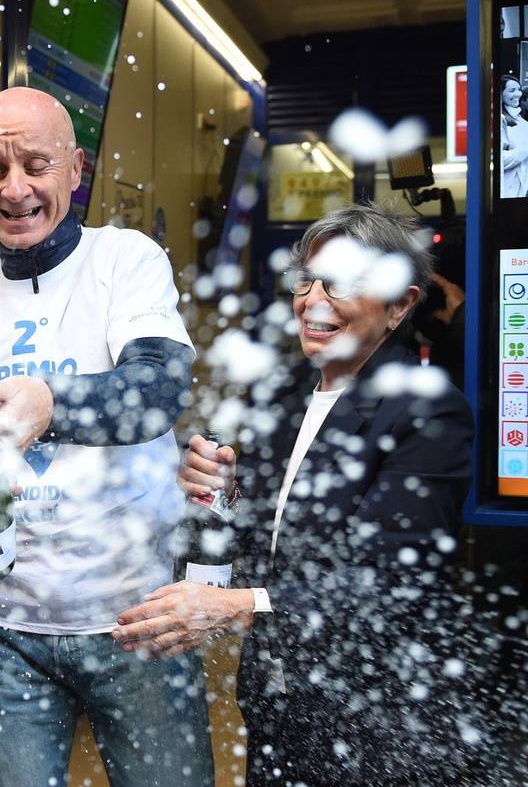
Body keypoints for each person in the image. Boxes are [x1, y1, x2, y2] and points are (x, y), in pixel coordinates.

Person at [0, 87, 212, 787]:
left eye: (35, 165)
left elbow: (159, 387)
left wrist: (50, 402)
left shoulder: (124, 260)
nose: (14, 189)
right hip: (1, 630)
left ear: (75, 169)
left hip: (135, 617)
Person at [113, 203, 475, 786]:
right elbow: (255, 546)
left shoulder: (428, 410)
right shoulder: (283, 395)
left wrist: (237, 607)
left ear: (400, 304)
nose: (313, 301)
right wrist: (217, 493)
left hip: (375, 717)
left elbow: (384, 583)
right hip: (278, 701)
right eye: (306, 280)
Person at [501, 75, 528, 199]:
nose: (518, 94)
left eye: (519, 89)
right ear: (501, 93)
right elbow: (500, 159)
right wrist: (525, 150)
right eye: (512, 90)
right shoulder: (501, 119)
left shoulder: (520, 117)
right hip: (513, 190)